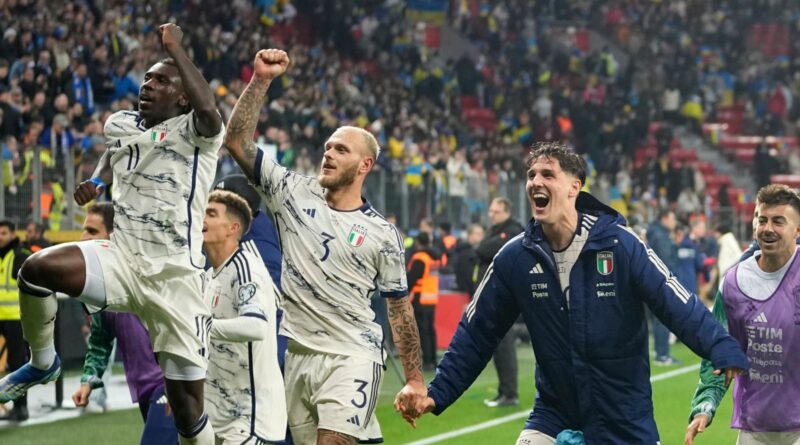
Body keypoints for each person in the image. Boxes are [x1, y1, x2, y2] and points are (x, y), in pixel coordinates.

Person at [400, 142, 748, 443]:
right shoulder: (514, 258)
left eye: (548, 175)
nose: (536, 181)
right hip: (554, 411)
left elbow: (675, 302)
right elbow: (476, 333)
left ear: (574, 187)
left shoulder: (620, 244)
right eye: (531, 175)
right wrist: (437, 393)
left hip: (623, 417)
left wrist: (721, 347)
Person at [0, 23, 224, 445]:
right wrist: (98, 181)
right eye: (146, 78)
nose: (149, 85)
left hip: (177, 280)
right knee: (34, 270)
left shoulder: (197, 134)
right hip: (122, 259)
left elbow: (211, 112)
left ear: (182, 96)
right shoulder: (119, 123)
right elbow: (116, 152)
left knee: (188, 415)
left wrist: (176, 49)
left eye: (162, 80)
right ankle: (44, 361)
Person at [223, 49, 426, 444]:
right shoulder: (292, 192)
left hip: (354, 354)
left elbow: (399, 309)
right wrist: (261, 80)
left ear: (365, 166)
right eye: (328, 147)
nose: (328, 153)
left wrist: (415, 379)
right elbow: (236, 141)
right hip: (298, 355)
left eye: (341, 150)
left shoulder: (382, 234)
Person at [686, 184, 800, 445]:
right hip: (754, 429)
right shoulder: (735, 283)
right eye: (762, 220)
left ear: (797, 230)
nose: (768, 228)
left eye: (778, 221)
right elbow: (720, 350)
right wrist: (705, 404)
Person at [71, 202, 178, 445]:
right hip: (143, 388)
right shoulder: (99, 288)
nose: (83, 237)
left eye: (92, 231)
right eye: (84, 229)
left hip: (171, 382)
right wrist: (88, 381)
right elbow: (100, 340)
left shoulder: (147, 271)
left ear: (114, 235)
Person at [202, 190, 286, 443]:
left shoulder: (246, 267)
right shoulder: (208, 276)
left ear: (233, 228)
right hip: (216, 415)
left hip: (250, 417)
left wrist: (203, 326)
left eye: (211, 213)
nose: (201, 218)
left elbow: (256, 326)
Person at [477, 197, 524, 407]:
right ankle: (504, 391)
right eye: (490, 211)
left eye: (495, 212)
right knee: (498, 346)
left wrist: (484, 246)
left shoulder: (513, 230)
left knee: (504, 345)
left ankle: (510, 393)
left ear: (506, 211)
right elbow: (483, 248)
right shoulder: (494, 231)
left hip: (505, 296)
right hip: (492, 296)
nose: (491, 215)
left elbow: (485, 249)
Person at [0, 220, 31, 421]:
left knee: (17, 364)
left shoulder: (20, 255)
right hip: (2, 317)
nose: (0, 236)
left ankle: (21, 408)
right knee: (12, 364)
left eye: (3, 233)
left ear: (12, 234)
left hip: (15, 319)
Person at [647, 208, 681, 365]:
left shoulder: (657, 233)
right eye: (672, 218)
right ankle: (662, 355)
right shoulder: (660, 236)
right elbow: (665, 262)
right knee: (663, 319)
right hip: (661, 283)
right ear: (664, 218)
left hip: (654, 281)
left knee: (659, 319)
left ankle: (660, 352)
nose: (674, 222)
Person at [407, 232, 441, 371]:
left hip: (420, 298)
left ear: (418, 243)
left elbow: (412, 278)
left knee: (423, 331)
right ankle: (432, 359)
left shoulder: (420, 258)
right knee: (431, 330)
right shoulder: (435, 257)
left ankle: (427, 361)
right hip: (431, 298)